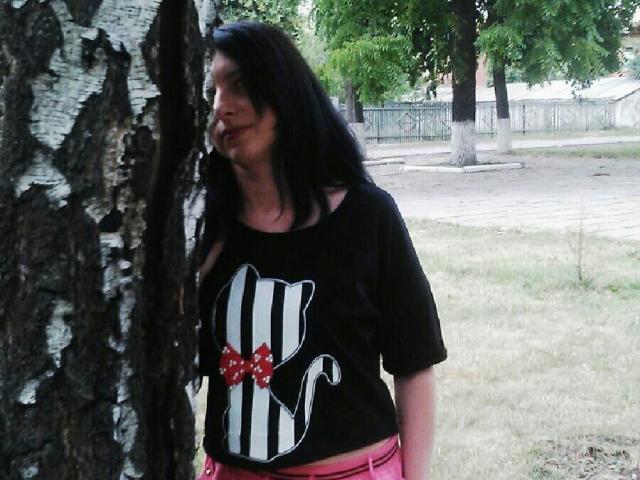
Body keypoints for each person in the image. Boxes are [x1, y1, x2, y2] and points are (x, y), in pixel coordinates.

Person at [198, 21, 447, 480]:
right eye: (211, 92)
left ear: (285, 90)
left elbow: (414, 366)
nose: (221, 106)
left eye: (239, 85)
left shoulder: (368, 216)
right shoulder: (201, 227)